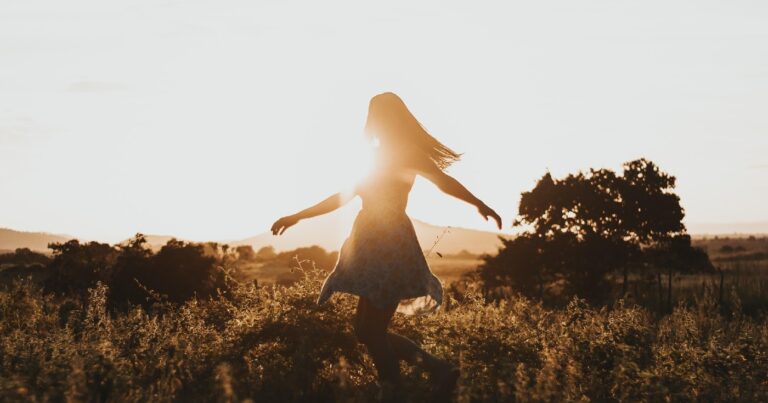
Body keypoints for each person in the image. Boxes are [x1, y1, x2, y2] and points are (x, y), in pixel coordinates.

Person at [271, 92, 502, 402]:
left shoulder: (407, 153)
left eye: (377, 116)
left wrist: (478, 203)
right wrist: (298, 216)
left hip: (390, 246)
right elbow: (343, 195)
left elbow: (443, 182)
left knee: (373, 331)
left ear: (388, 119)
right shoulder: (374, 155)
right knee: (365, 331)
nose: (372, 122)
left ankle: (398, 388)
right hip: (370, 245)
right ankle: (434, 371)